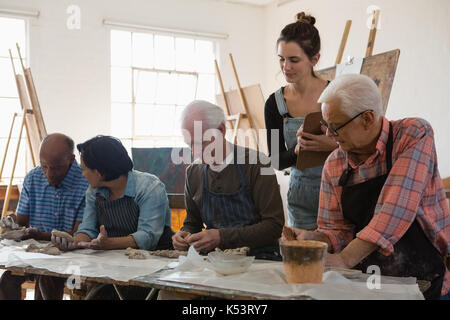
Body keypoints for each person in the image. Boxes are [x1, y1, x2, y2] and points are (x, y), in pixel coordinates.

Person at [285, 74, 449, 300]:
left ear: (368, 118)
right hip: (368, 284)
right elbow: (338, 229)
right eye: (326, 126)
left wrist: (345, 259)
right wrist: (316, 239)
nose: (329, 135)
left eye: (336, 127)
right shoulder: (335, 164)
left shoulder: (413, 134)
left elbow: (396, 208)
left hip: (425, 279)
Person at [52, 135, 173, 299]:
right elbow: (87, 228)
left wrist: (108, 244)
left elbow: (148, 236)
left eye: (85, 169)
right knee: (61, 279)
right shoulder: (94, 192)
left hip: (150, 260)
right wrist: (74, 242)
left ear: (101, 172)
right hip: (112, 259)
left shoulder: (149, 188)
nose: (83, 174)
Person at [172, 100, 285, 259]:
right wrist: (184, 236)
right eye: (190, 145)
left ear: (221, 130)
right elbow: (192, 222)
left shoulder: (258, 164)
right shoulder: (193, 173)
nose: (195, 152)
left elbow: (274, 226)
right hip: (215, 260)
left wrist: (221, 237)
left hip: (260, 259)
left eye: (200, 143)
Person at [264, 12, 337, 230]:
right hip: (301, 198)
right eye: (281, 59)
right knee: (305, 262)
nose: (286, 66)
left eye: (294, 60)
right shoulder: (275, 104)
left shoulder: (336, 95)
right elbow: (275, 160)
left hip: (339, 194)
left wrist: (332, 145)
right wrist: (297, 151)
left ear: (314, 59)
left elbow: (362, 148)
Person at [0, 133, 89, 300]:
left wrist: (40, 235)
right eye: (44, 166)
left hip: (74, 260)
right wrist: (12, 223)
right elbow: (22, 222)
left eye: (56, 167)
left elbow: (78, 235)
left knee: (48, 280)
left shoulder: (86, 182)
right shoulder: (33, 177)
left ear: (71, 159)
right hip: (36, 255)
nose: (49, 173)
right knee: (6, 280)